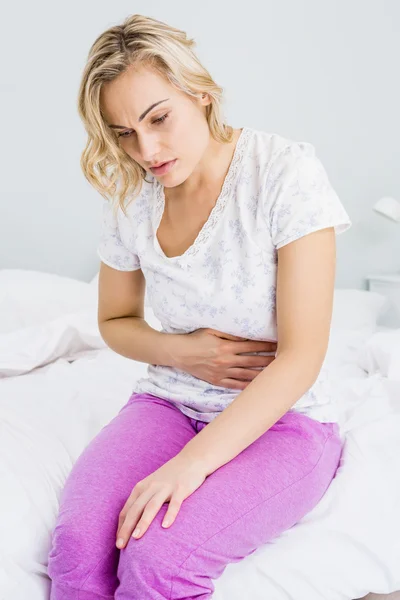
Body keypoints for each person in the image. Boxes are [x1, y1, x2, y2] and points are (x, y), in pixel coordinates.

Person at [47, 13, 352, 600]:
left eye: (159, 118)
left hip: (285, 422)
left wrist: (190, 465)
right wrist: (183, 352)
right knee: (78, 550)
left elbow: (301, 357)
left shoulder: (284, 173)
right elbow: (113, 322)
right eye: (124, 133)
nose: (147, 149)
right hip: (170, 401)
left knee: (158, 561)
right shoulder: (132, 196)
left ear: (202, 94)